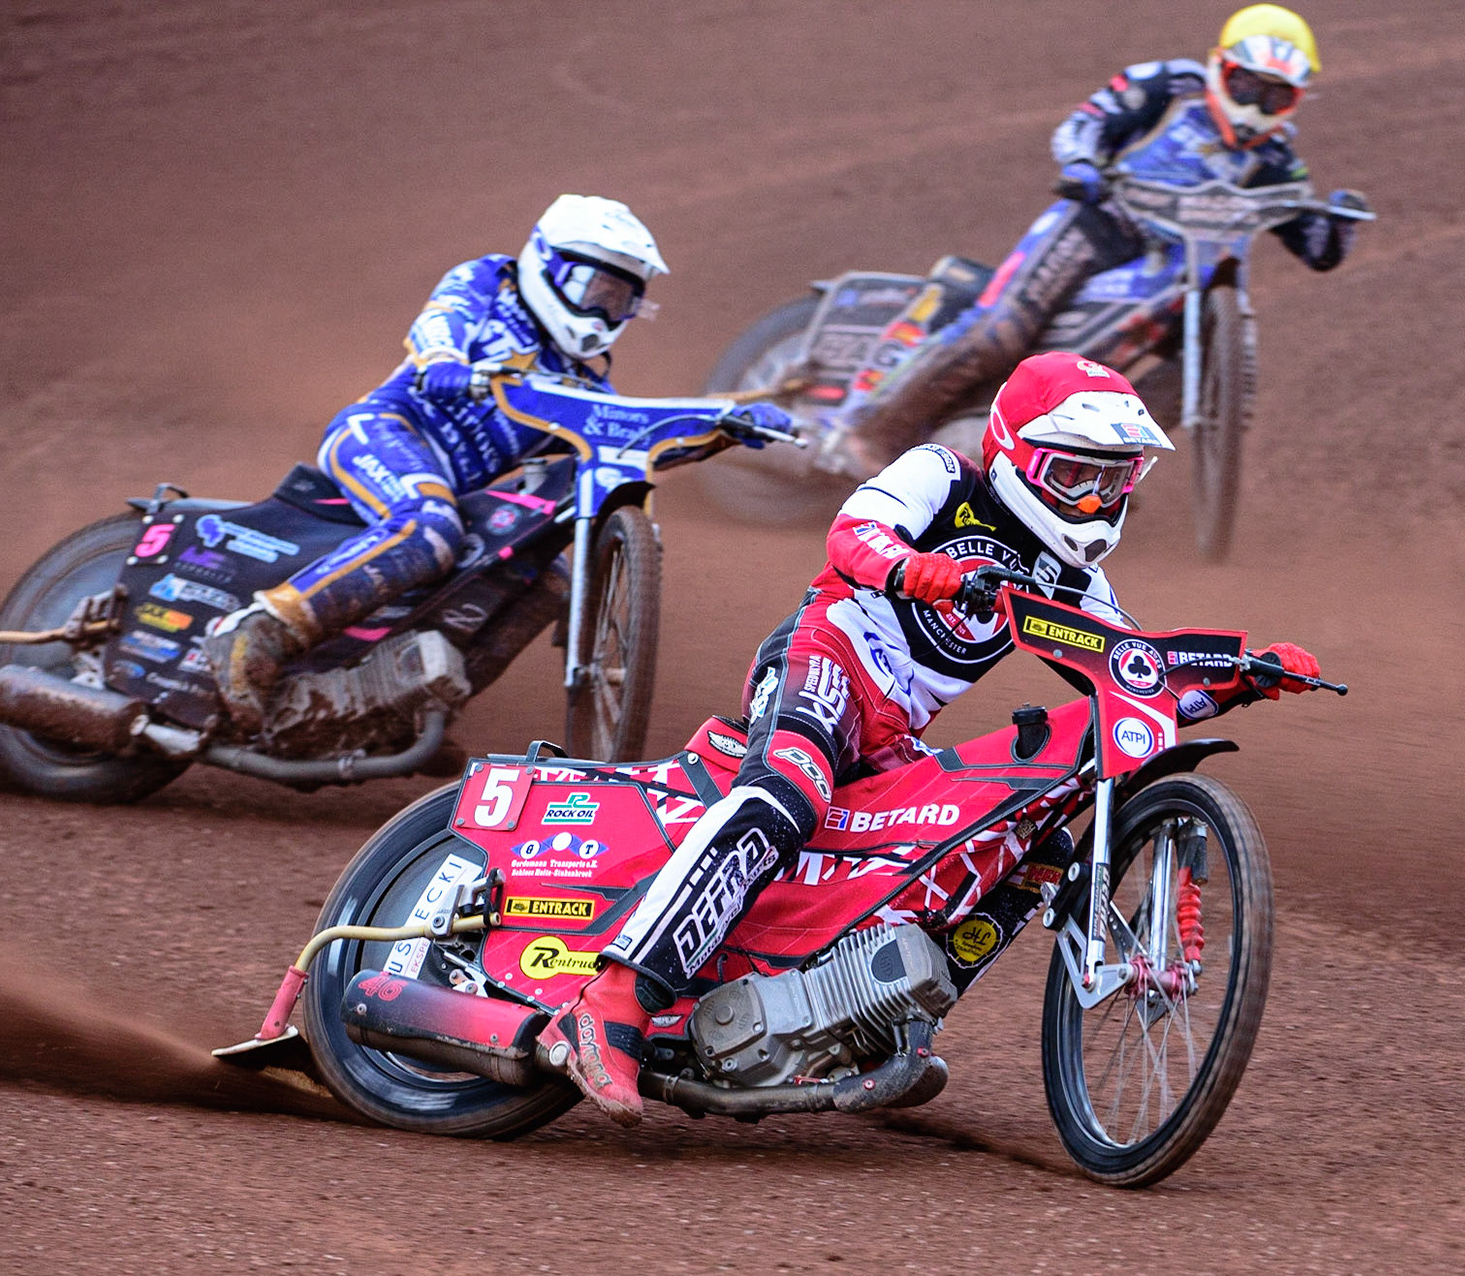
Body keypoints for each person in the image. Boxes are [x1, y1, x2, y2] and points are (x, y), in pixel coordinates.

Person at [539, 351, 1323, 1125]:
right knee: (787, 793)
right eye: (1079, 476)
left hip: (895, 734)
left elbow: (1131, 674)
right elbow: (851, 536)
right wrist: (924, 573)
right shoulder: (945, 477)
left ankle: (871, 1018)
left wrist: (1238, 676)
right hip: (828, 659)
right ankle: (612, 1005)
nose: (1095, 499)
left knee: (1026, 841)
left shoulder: (1068, 572)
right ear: (1021, 455)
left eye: (1114, 480)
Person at [828, 4, 1369, 474]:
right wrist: (1083, 163)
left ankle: (1105, 467)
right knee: (1000, 333)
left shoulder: (1277, 162)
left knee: (1204, 373)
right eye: (1245, 84)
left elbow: (1317, 248)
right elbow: (1084, 123)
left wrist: (1343, 219)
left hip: (1186, 276)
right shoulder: (1169, 88)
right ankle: (870, 435)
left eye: (1274, 95)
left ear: (1296, 99)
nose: (1254, 105)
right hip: (1101, 224)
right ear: (1219, 67)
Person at [203, 195, 673, 735]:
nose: (600, 313)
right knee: (429, 526)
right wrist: (446, 362)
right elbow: (442, 321)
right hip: (381, 431)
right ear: (549, 265)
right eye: (593, 291)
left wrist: (724, 432)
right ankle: (259, 630)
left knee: (548, 579)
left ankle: (407, 711)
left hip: (449, 489)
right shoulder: (489, 282)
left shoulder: (584, 383)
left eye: (617, 301)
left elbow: (619, 435)